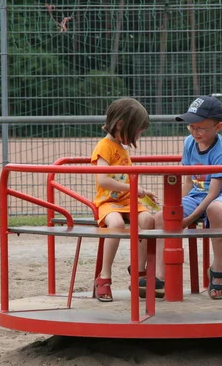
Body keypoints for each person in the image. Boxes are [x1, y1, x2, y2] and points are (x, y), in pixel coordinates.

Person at [151, 95, 222, 300]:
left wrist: (187, 220)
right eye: (191, 126)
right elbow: (188, 182)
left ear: (218, 127)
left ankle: (217, 267)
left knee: (214, 209)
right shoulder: (189, 142)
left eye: (201, 128)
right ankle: (160, 276)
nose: (195, 132)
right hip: (196, 194)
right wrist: (174, 209)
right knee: (161, 217)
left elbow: (213, 193)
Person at [92, 97, 157, 302]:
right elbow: (103, 180)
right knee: (117, 224)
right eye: (137, 131)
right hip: (108, 202)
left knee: (148, 220)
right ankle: (104, 276)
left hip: (128, 201)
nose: (138, 135)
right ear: (120, 125)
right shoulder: (104, 147)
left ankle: (139, 272)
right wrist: (133, 188)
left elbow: (127, 179)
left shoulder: (123, 149)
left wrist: (143, 193)